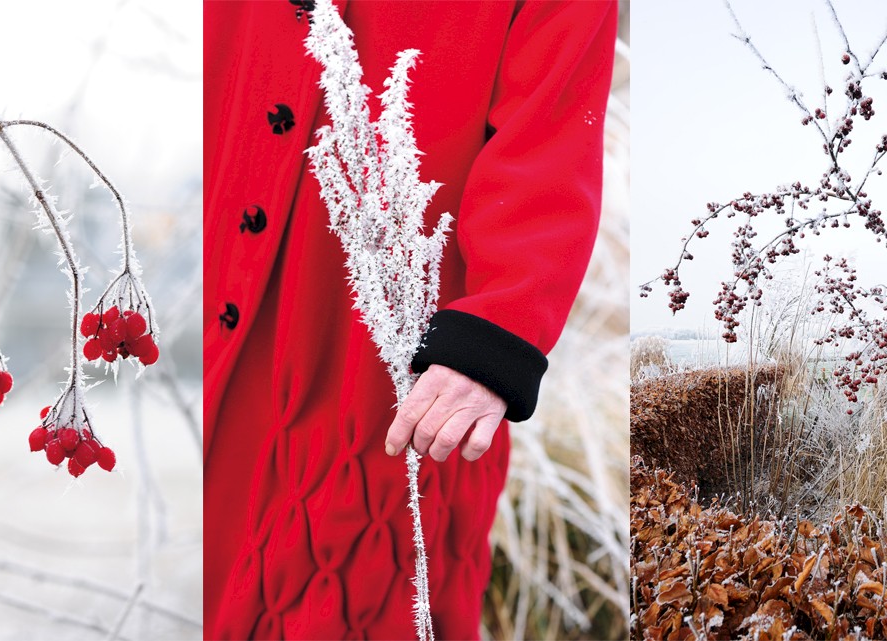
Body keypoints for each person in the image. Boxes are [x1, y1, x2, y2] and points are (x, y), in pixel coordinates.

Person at [204, 1, 617, 638]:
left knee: (356, 595)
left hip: (387, 375)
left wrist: (495, 332)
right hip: (220, 331)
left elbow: (550, 134)